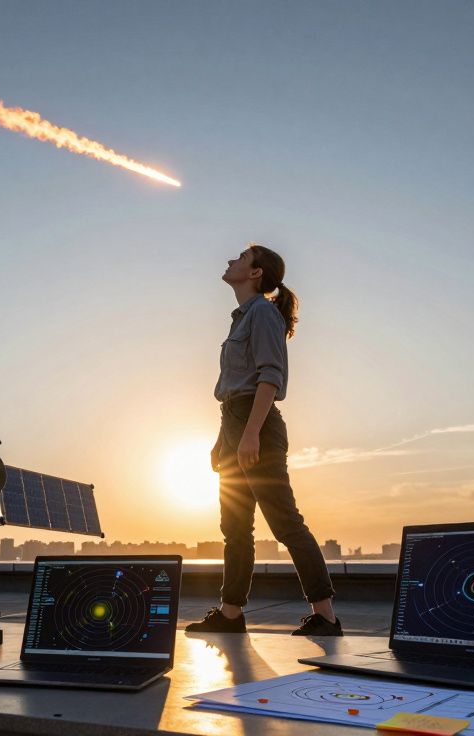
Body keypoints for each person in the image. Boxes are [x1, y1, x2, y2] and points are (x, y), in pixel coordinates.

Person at [185, 243, 342, 636]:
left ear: (255, 273)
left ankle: (326, 616)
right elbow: (233, 390)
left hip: (257, 424)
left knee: (285, 522)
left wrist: (251, 433)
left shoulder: (263, 314)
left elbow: (270, 377)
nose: (229, 260)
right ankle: (231, 614)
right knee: (235, 527)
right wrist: (224, 441)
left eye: (239, 257)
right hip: (234, 423)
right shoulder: (240, 318)